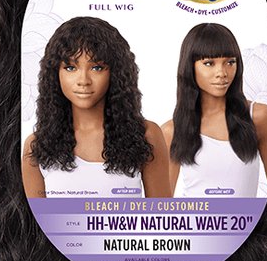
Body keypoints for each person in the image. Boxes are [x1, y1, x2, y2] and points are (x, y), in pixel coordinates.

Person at [22, 17, 169, 198]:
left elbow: (161, 213)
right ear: (55, 74)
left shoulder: (147, 135)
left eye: (97, 68)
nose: (83, 80)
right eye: (70, 68)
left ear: (115, 73)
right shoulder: (36, 146)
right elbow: (34, 216)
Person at [161, 23, 267, 197]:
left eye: (230, 62)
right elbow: (161, 206)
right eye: (209, 63)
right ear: (190, 67)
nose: (222, 73)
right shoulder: (172, 131)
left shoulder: (259, 117)